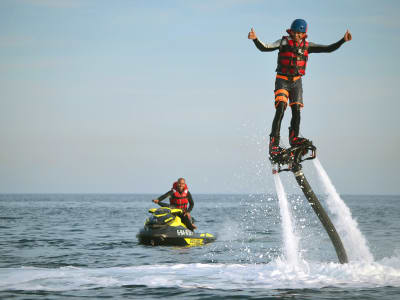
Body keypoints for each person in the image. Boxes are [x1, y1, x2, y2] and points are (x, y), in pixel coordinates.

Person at [248, 19, 352, 157]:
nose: (297, 35)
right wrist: (255, 39)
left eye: (300, 33)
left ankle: (294, 138)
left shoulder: (308, 46)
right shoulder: (283, 42)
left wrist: (342, 40)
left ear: (304, 34)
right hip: (282, 80)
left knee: (296, 110)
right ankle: (274, 144)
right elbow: (265, 47)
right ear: (291, 31)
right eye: (295, 32)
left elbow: (327, 48)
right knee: (281, 108)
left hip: (296, 82)